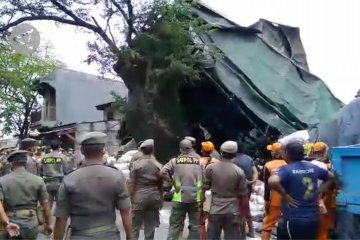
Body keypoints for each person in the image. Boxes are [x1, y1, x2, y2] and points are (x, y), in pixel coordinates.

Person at [53, 132, 133, 240]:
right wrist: (130, 236)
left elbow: (61, 218)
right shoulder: (117, 176)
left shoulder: (69, 179)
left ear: (82, 151)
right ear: (104, 150)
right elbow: (125, 212)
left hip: (80, 236)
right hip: (109, 236)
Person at [268, 141, 336, 240]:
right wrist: (319, 191)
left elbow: (272, 181)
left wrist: (285, 195)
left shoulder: (286, 169)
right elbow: (331, 177)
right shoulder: (312, 167)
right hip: (313, 218)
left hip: (294, 218)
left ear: (287, 154)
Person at [0, 150, 52, 240]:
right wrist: (49, 224)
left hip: (11, 223)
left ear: (11, 164)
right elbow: (46, 204)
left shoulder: (2, 181)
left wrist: (7, 222)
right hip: (33, 223)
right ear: (25, 163)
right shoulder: (38, 180)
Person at [204, 141, 248, 240]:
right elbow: (244, 195)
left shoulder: (210, 168)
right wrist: (243, 214)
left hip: (215, 209)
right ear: (235, 154)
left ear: (221, 152)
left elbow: (204, 189)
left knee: (212, 237)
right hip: (232, 210)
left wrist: (202, 208)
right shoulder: (239, 172)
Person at [161, 139, 203, 240]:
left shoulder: (174, 161)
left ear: (180, 149)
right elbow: (205, 178)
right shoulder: (199, 162)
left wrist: (173, 182)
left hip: (179, 196)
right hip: (195, 198)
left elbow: (162, 172)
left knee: (175, 225)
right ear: (191, 148)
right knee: (195, 226)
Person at [128, 139, 163, 240]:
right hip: (154, 198)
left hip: (139, 198)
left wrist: (130, 198)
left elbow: (132, 184)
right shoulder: (158, 165)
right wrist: (160, 199)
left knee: (135, 227)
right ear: (152, 150)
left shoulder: (136, 165)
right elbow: (160, 184)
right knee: (150, 227)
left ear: (141, 150)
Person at [310, 142, 337, 240]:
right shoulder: (325, 166)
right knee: (324, 227)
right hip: (322, 199)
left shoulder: (309, 164)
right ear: (325, 152)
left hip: (310, 199)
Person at [261, 143, 287, 240]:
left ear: (274, 153)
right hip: (289, 200)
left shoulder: (268, 165)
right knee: (284, 224)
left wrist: (266, 200)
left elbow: (267, 186)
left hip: (274, 200)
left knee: (267, 226)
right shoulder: (289, 163)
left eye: (272, 151)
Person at [232, 142, 258, 237]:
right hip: (248, 188)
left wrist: (245, 181)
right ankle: (251, 231)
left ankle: (241, 235)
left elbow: (239, 175)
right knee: (246, 209)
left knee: (240, 212)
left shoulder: (233, 160)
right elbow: (255, 172)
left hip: (238, 188)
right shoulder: (248, 158)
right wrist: (253, 182)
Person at [39, 139, 69, 210]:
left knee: (48, 204)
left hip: (47, 183)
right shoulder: (62, 157)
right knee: (60, 205)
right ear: (59, 147)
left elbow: (40, 169)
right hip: (59, 183)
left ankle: (48, 220)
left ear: (51, 147)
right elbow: (66, 170)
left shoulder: (44, 157)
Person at [199, 141, 219, 240]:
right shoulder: (217, 162)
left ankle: (201, 236)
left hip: (201, 190)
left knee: (200, 214)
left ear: (203, 150)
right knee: (209, 214)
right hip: (213, 191)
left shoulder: (199, 161)